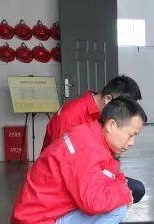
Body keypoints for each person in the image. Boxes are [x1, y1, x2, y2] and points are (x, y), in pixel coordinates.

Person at [11, 97, 147, 224]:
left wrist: (121, 188)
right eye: (131, 134)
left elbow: (111, 173)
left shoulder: (90, 135)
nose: (132, 142)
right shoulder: (88, 149)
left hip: (38, 221)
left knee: (122, 192)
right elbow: (93, 203)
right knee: (117, 206)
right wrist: (123, 194)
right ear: (111, 125)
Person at [40, 75, 146, 203]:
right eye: (125, 107)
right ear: (108, 99)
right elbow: (65, 167)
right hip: (65, 183)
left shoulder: (107, 116)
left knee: (132, 190)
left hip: (90, 172)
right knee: (121, 195)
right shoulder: (71, 115)